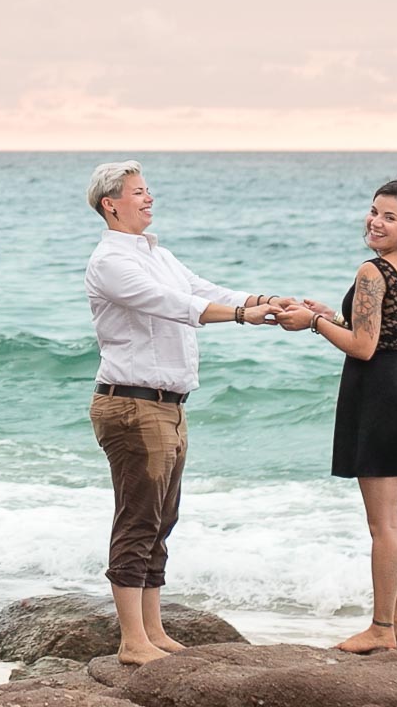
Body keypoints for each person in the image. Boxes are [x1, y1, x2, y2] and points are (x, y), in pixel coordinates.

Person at [84, 160, 295, 665]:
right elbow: (174, 304)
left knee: (162, 519)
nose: (149, 198)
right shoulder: (111, 262)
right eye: (139, 192)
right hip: (132, 405)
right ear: (111, 204)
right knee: (138, 520)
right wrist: (246, 316)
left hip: (167, 406)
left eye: (148, 190)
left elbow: (204, 290)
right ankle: (132, 641)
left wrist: (267, 300)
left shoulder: (159, 254)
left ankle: (152, 630)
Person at [275, 179, 397, 653]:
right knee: (394, 521)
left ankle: (380, 630)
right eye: (374, 211)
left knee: (383, 526)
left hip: (381, 398)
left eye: (389, 217)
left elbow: (363, 346)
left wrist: (312, 323)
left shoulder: (373, 271)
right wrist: (330, 314)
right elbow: (379, 331)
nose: (375, 221)